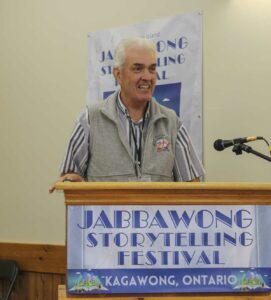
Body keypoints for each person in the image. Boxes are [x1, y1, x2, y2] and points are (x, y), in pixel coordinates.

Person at [49, 37, 204, 192]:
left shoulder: (172, 122)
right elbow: (70, 178)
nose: (147, 77)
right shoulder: (90, 119)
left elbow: (192, 185)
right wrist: (73, 181)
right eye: (138, 68)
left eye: (152, 69)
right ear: (118, 74)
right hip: (106, 216)